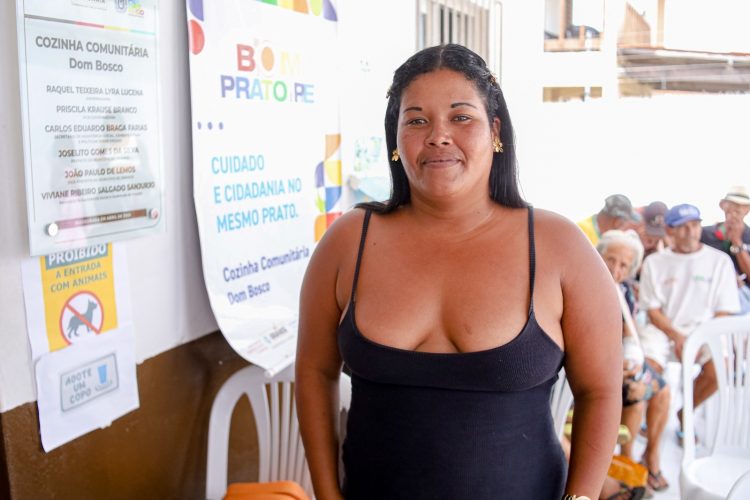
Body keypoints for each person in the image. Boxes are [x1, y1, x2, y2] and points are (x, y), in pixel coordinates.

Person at [296, 44, 622, 500]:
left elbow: (600, 390)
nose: (438, 136)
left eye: (461, 117)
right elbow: (314, 371)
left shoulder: (559, 246)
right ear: (395, 139)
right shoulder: (348, 241)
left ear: (495, 131)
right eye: (416, 121)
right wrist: (327, 495)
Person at [638, 204, 740, 434]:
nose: (691, 232)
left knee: (720, 369)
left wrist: (697, 338)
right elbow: (652, 311)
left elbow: (724, 311)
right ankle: (652, 414)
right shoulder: (654, 263)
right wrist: (677, 336)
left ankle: (686, 411)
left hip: (706, 330)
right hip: (663, 330)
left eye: (695, 225)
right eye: (683, 227)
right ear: (670, 231)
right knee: (647, 367)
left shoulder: (720, 261)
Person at [596, 230, 670, 493]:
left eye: (624, 265)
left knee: (660, 391)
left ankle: (646, 458)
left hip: (617, 364)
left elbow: (629, 332)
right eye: (610, 260)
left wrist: (632, 363)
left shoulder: (623, 290)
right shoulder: (588, 287)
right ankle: (623, 467)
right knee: (638, 395)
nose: (615, 269)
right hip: (594, 369)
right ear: (598, 256)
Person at [701, 185, 750, 314]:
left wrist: (736, 241)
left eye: (743, 205)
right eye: (733, 203)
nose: (737, 208)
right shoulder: (704, 234)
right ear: (722, 205)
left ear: (747, 209)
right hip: (710, 297)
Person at [577, 194, 641, 246]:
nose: (624, 227)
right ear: (618, 222)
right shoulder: (582, 232)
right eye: (624, 222)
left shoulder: (595, 232)